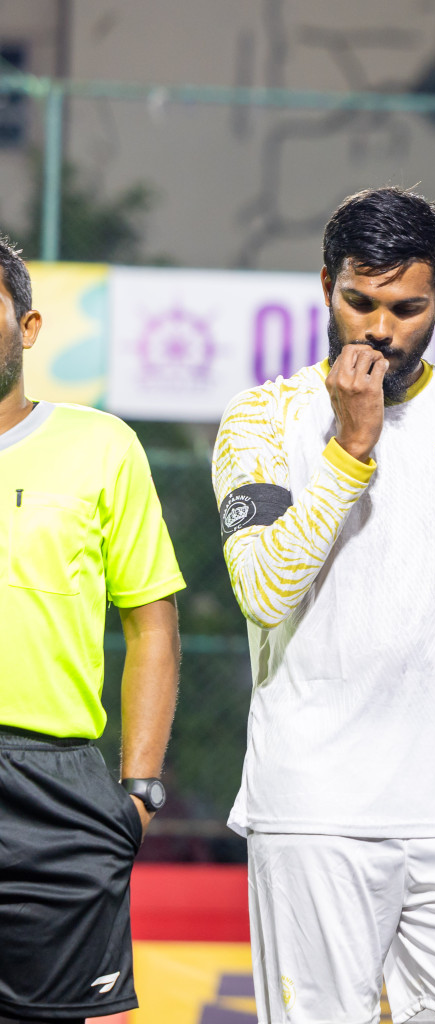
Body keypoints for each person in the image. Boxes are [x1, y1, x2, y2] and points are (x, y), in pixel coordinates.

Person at [212, 188, 435, 1024]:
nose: (379, 328)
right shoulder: (262, 420)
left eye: (406, 307)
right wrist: (350, 447)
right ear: (325, 287)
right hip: (315, 810)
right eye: (359, 302)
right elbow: (264, 590)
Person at [0, 235, 183, 1024]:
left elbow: (152, 624)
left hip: (56, 784)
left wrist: (137, 791)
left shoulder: (101, 445)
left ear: (29, 326)